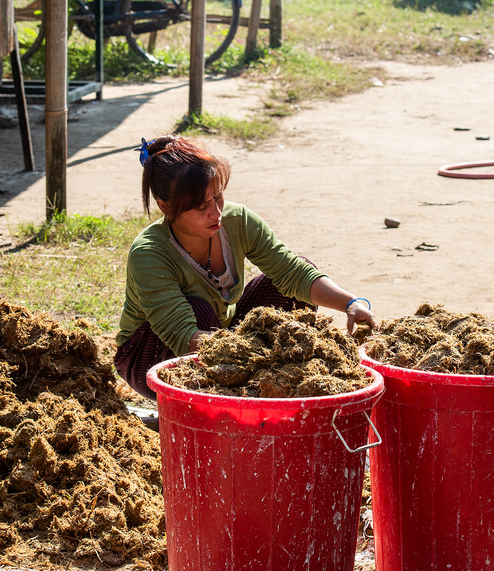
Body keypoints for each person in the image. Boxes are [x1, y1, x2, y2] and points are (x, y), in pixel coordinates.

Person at [114, 135, 378, 399]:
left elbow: (293, 272)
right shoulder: (149, 254)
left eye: (217, 197)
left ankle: (257, 389)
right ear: (165, 207)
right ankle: (225, 396)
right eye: (200, 206)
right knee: (199, 309)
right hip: (147, 355)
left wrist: (351, 303)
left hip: (220, 334)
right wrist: (256, 355)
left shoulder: (237, 221)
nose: (215, 213)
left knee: (284, 288)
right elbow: (183, 335)